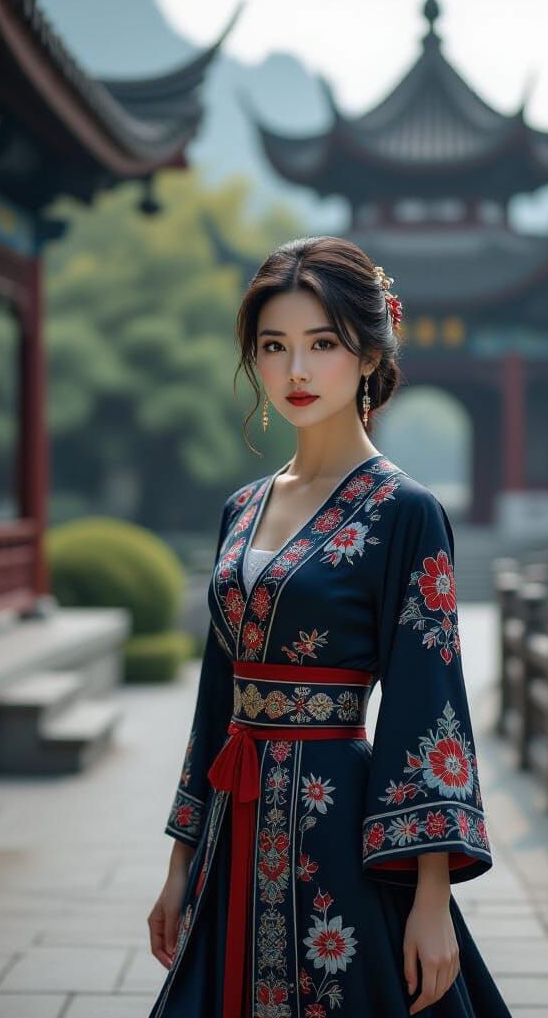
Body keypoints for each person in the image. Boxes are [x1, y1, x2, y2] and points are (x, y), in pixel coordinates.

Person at [147, 235, 511, 1018]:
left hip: (336, 823)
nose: (296, 371)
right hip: (231, 827)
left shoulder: (405, 512)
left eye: (322, 344)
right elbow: (216, 696)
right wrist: (180, 863)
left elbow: (429, 702)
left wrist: (431, 900)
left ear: (370, 354)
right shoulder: (242, 509)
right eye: (273, 346)